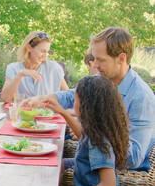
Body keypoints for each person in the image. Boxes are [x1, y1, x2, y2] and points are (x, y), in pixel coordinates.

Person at [22, 27, 155, 171]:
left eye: (101, 60)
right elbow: (73, 94)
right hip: (95, 157)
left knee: (46, 168)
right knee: (37, 160)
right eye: (94, 58)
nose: (95, 64)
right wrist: (41, 99)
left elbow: (133, 159)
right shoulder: (104, 78)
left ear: (121, 59)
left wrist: (90, 135)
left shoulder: (141, 98)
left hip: (118, 171)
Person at [45, 76, 129, 186]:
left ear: (86, 106)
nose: (74, 104)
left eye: (75, 100)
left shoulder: (100, 141)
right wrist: (63, 113)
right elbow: (84, 137)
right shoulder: (97, 133)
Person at [0, 31, 69, 102]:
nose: (45, 56)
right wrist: (20, 74)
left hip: (47, 112)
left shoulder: (53, 68)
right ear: (29, 47)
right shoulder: (14, 68)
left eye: (47, 52)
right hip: (23, 112)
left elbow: (68, 97)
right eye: (42, 51)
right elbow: (5, 98)